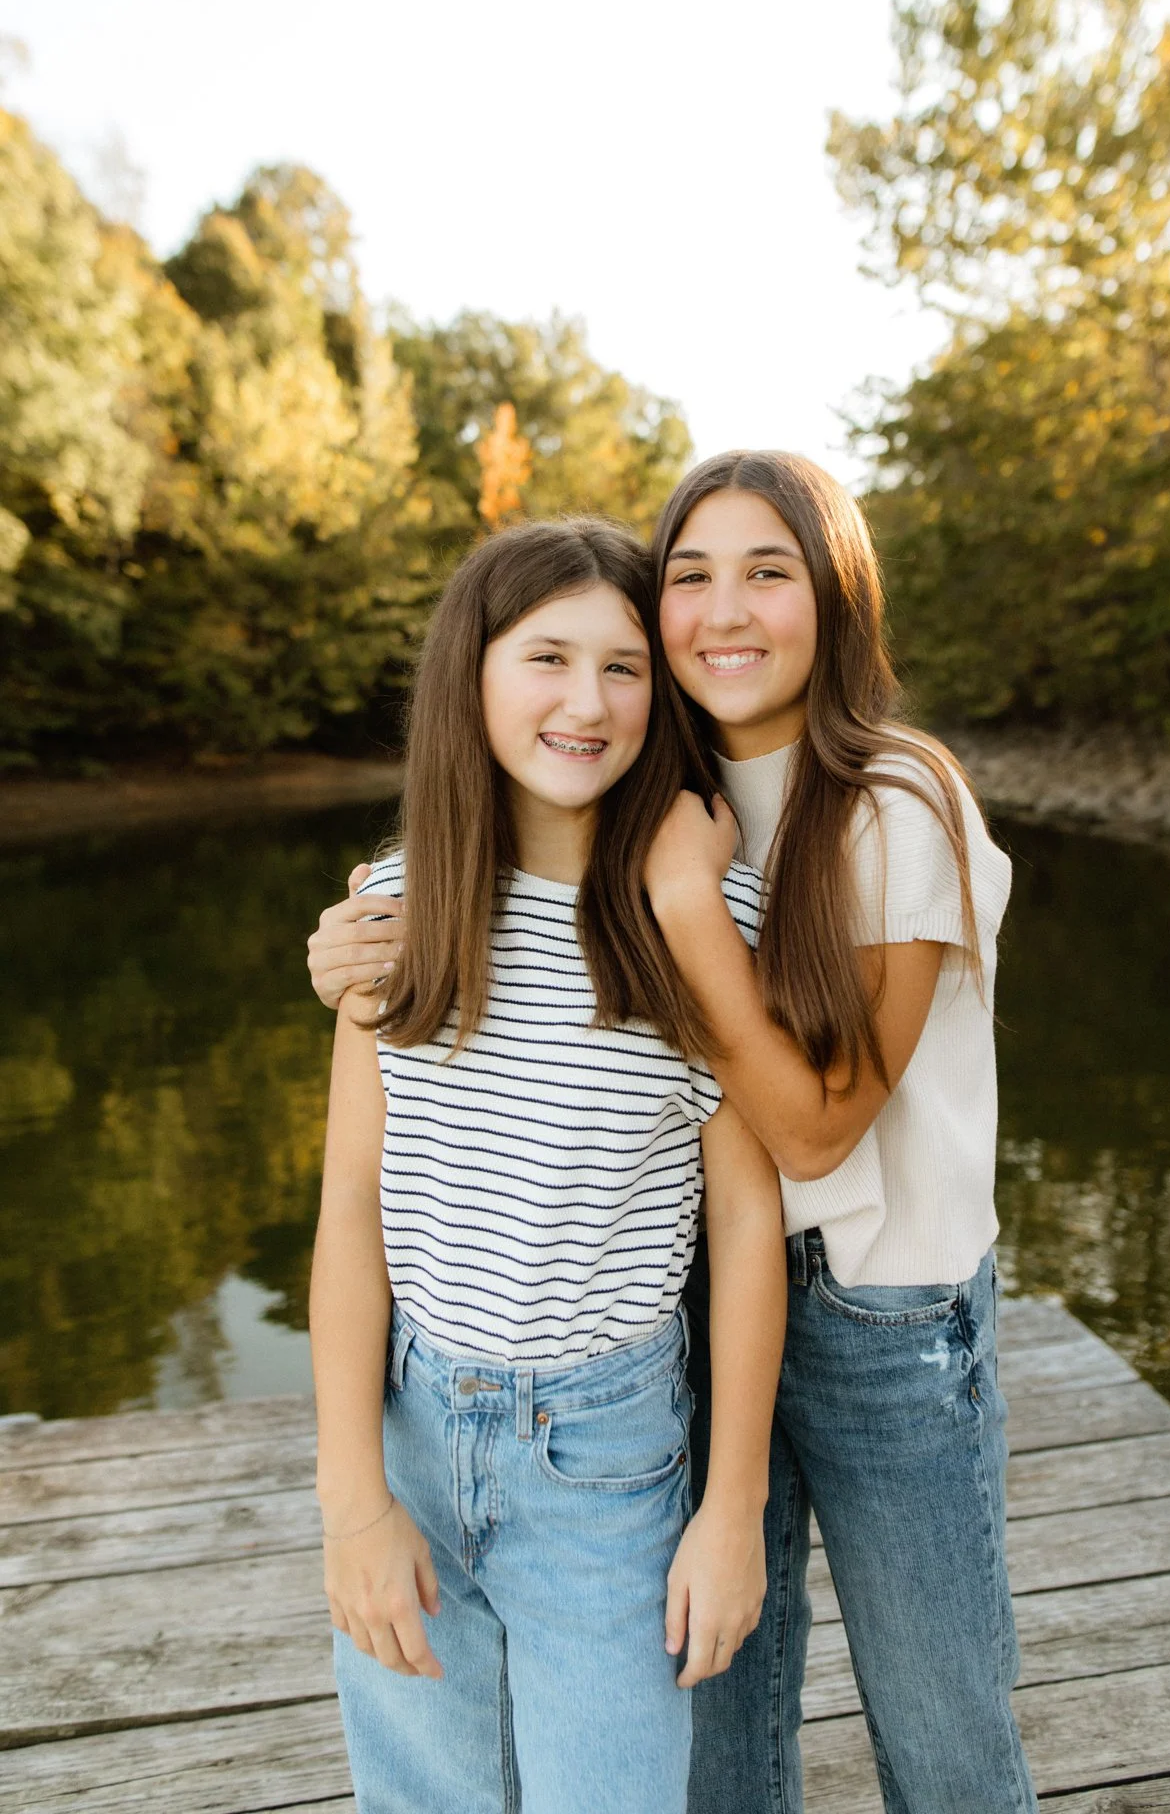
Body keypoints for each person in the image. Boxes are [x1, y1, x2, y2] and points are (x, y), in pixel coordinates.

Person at [308, 456, 1037, 1814]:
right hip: (680, 1312)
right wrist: (350, 948)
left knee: (938, 1723)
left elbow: (810, 1139)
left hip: (880, 1312)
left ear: (837, 598)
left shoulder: (887, 803)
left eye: (772, 571)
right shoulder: (655, 779)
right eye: (691, 575)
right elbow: (375, 1163)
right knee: (718, 1731)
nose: (725, 611)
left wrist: (692, 911)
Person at [310, 518, 786, 1814]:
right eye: (548, 659)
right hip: (413, 1425)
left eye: (626, 666)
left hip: (608, 1461)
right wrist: (352, 1499)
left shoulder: (700, 915)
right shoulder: (396, 911)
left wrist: (731, 1505)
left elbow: (748, 1225)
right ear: (473, 672)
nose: (589, 702)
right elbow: (353, 1204)